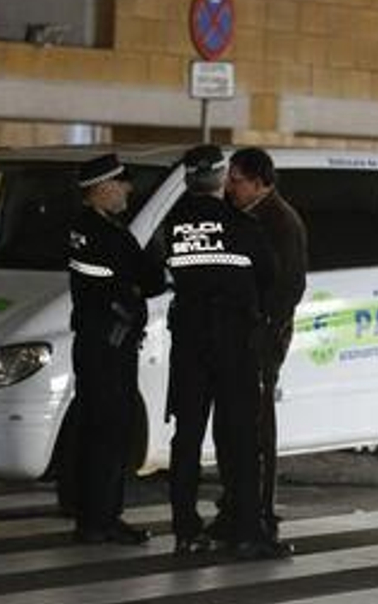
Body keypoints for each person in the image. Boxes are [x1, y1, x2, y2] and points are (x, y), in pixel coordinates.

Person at [157, 145, 281, 559]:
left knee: (187, 439)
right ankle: (246, 530)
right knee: (240, 438)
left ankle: (185, 531)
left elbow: (162, 274)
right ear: (219, 176)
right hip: (233, 345)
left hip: (189, 345)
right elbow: (271, 276)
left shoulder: (172, 225)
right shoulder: (240, 225)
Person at [65, 153, 165, 544]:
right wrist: (130, 292)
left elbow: (150, 281)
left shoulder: (112, 229)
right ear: (101, 188)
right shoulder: (88, 230)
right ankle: (97, 520)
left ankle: (103, 514)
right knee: (104, 430)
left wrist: (134, 287)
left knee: (114, 429)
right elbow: (107, 289)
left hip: (116, 342)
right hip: (103, 343)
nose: (128, 189)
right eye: (121, 182)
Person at [222, 147, 308, 557]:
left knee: (256, 430)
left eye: (236, 180)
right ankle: (234, 508)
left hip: (259, 340)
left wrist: (264, 329)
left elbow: (288, 286)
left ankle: (259, 516)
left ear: (259, 181)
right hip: (236, 334)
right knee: (232, 427)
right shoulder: (241, 214)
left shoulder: (279, 221)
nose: (229, 186)